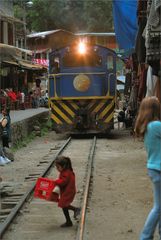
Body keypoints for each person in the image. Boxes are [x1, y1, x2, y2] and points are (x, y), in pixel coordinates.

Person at [135, 96, 161, 240]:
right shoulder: (156, 125)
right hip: (159, 168)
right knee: (158, 207)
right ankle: (145, 236)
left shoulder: (148, 126)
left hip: (154, 168)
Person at [54, 156, 80, 227]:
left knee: (63, 204)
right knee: (63, 205)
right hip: (67, 191)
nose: (57, 169)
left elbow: (63, 182)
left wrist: (55, 182)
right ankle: (68, 221)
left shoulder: (66, 173)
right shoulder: (66, 171)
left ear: (64, 166)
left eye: (58, 167)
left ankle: (75, 209)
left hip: (69, 191)